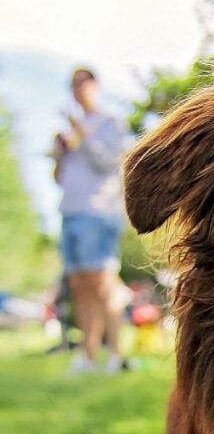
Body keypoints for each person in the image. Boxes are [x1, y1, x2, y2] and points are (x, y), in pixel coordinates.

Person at [52, 67, 128, 372]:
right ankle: (88, 355)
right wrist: (60, 154)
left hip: (98, 211)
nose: (78, 90)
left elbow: (108, 162)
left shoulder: (110, 123)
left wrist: (83, 135)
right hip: (69, 210)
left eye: (83, 83)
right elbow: (59, 178)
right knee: (79, 285)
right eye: (74, 85)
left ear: (96, 86)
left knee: (102, 284)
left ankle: (116, 355)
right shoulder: (72, 132)